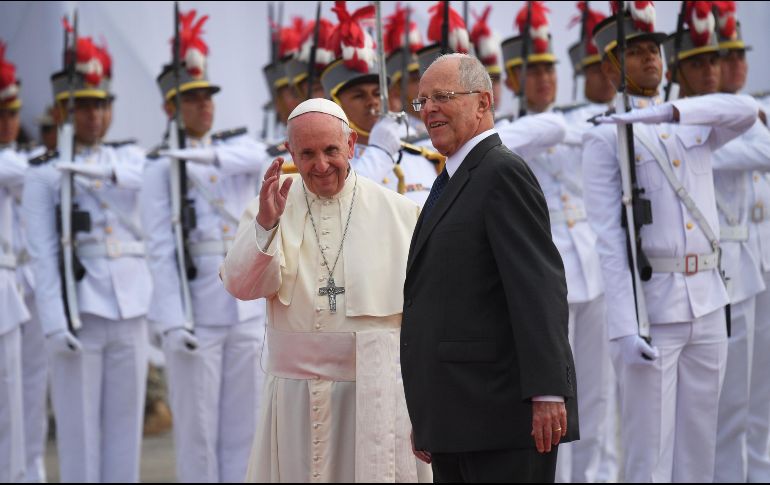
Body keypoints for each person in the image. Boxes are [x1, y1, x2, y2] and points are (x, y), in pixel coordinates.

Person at [583, 5, 758, 481]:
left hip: (708, 301)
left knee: (699, 451)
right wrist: (624, 327)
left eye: (655, 50)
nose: (650, 59)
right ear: (610, 68)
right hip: (654, 310)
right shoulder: (605, 137)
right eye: (635, 51)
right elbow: (609, 240)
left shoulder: (691, 119)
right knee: (649, 456)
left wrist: (672, 110)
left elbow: (747, 112)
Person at [221, 98, 428, 483]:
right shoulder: (269, 208)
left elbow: (426, 320)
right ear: (290, 152)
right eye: (307, 154)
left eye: (331, 150)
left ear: (351, 144)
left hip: (376, 397)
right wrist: (266, 227)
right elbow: (241, 286)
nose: (320, 165)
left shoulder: (402, 213)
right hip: (295, 401)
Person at [400, 53, 577, 483]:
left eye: (443, 97)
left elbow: (538, 287)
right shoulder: (450, 179)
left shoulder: (501, 172)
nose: (429, 110)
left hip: (501, 419)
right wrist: (428, 413)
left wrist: (548, 392)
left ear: (483, 102)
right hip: (456, 417)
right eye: (422, 101)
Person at [140, 9, 270, 482]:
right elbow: (160, 247)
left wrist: (203, 154)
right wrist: (173, 320)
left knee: (244, 431)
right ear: (170, 107)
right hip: (197, 310)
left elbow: (262, 155)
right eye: (192, 99)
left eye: (207, 97)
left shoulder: (232, 152)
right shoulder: (161, 168)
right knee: (197, 435)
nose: (204, 106)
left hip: (242, 309)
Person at [23, 34, 151, 483]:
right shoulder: (44, 173)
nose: (95, 115)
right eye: (83, 107)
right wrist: (54, 323)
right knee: (79, 434)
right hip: (81, 312)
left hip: (130, 306)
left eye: (101, 105)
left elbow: (148, 176)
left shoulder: (128, 157)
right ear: (64, 112)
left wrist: (92, 170)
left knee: (125, 432)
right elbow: (43, 255)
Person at [709, 5, 770, 481]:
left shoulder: (755, 112)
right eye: (725, 56)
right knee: (730, 403)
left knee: (760, 400)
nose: (736, 65)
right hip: (728, 271)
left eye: (739, 55)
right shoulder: (709, 119)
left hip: (760, 263)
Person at [0, 41, 30, 483]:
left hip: (6, 291)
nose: (8, 121)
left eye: (12, 112)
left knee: (11, 405)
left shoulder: (16, 161)